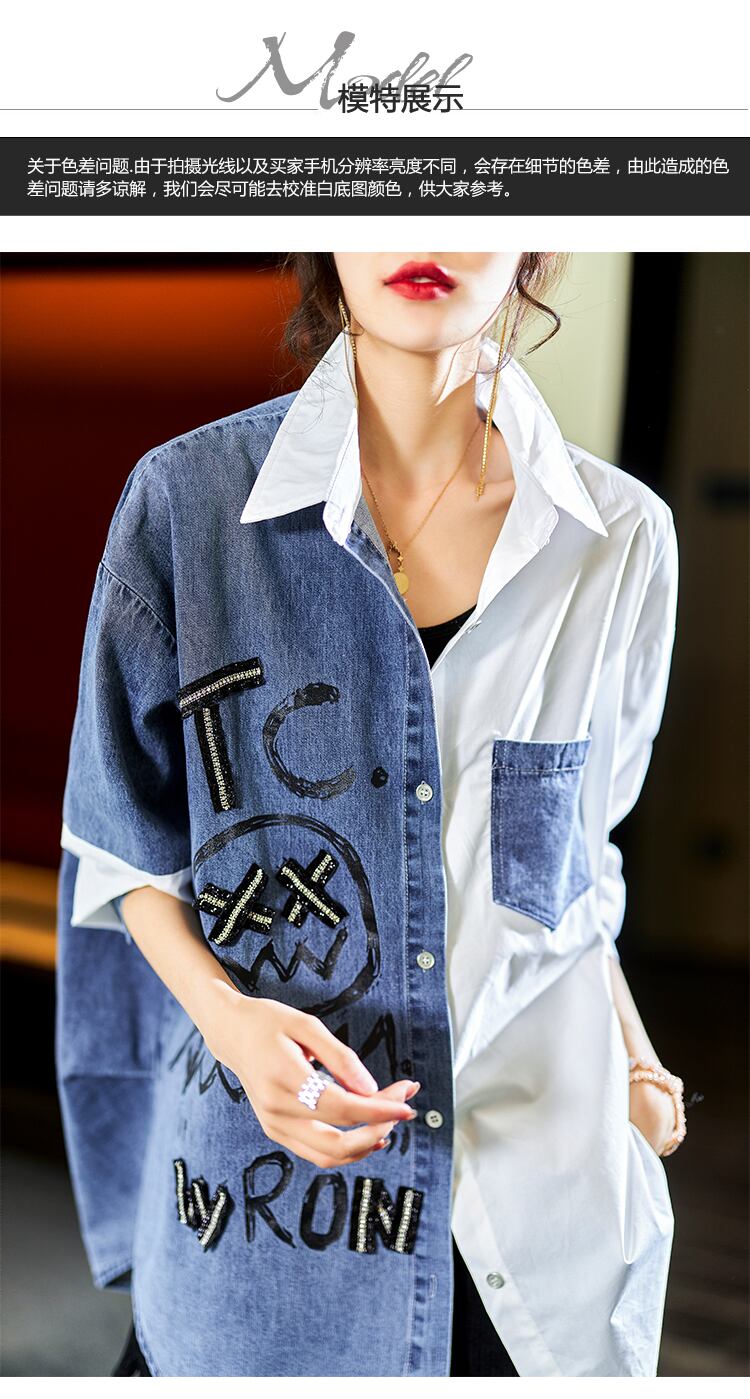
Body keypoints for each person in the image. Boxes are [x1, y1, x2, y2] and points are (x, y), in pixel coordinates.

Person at [56, 251, 686, 1378]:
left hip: (534, 1221)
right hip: (268, 1217)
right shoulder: (188, 506)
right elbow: (122, 850)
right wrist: (230, 1022)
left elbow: (575, 865)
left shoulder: (620, 537)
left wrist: (635, 1060)